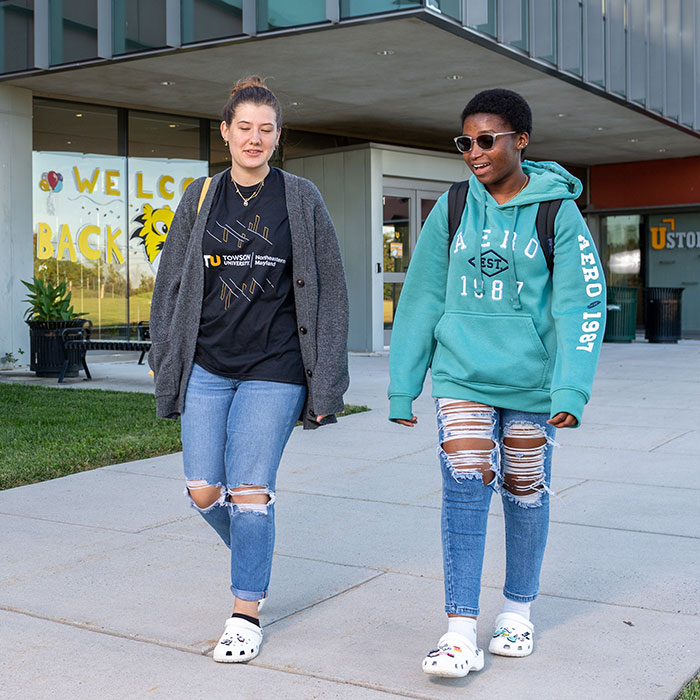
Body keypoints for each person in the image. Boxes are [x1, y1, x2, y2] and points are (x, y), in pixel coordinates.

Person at [387, 88, 605, 678]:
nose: (474, 152)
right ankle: (459, 631)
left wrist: (571, 388)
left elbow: (581, 302)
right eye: (465, 142)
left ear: (521, 141)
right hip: (462, 372)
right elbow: (422, 296)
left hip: (533, 382)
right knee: (464, 481)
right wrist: (403, 384)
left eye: (487, 140)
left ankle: (517, 611)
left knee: (524, 487)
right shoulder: (454, 206)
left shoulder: (556, 211)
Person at [149, 76, 349, 664]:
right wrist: (167, 356)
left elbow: (331, 289)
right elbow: (171, 284)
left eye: (266, 129)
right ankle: (254, 553)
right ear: (226, 132)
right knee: (204, 490)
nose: (254, 139)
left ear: (278, 136)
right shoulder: (200, 196)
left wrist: (327, 380)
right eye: (245, 128)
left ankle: (245, 612)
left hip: (277, 365)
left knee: (249, 492)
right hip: (208, 362)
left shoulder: (302, 198)